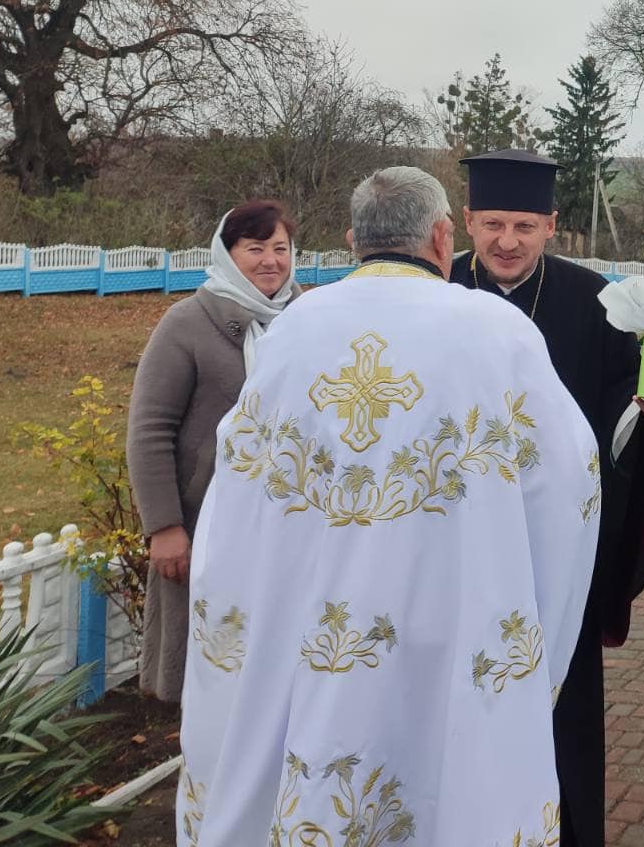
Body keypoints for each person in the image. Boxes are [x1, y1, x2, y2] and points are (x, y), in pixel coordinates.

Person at [178, 166, 598, 846]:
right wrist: (531, 638)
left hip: (321, 632)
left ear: (352, 241)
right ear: (442, 237)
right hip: (450, 623)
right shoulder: (495, 330)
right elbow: (568, 485)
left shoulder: (295, 328)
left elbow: (241, 493)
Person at [448, 148, 644, 847]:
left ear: (552, 226)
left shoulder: (595, 301)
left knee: (564, 700)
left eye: (524, 226)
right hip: (460, 541)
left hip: (557, 551)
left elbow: (626, 397)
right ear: (466, 220)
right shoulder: (440, 293)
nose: (507, 241)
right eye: (493, 223)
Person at [127, 199, 299, 702]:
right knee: (207, 669)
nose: (271, 261)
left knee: (275, 674)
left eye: (280, 248)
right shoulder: (187, 324)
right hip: (204, 525)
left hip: (287, 523)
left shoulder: (306, 319)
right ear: (227, 255)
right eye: (255, 249)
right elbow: (149, 429)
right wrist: (163, 527)